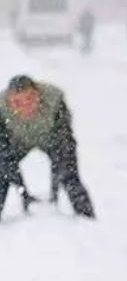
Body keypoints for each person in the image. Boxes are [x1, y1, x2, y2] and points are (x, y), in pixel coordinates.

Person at [0, 76, 96, 219]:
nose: (26, 106)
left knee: (69, 172)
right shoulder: (1, 110)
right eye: (17, 103)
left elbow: (65, 138)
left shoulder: (55, 100)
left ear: (38, 93)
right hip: (17, 141)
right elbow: (3, 148)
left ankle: (87, 218)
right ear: (9, 101)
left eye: (30, 99)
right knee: (2, 172)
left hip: (51, 138)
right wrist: (22, 190)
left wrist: (56, 183)